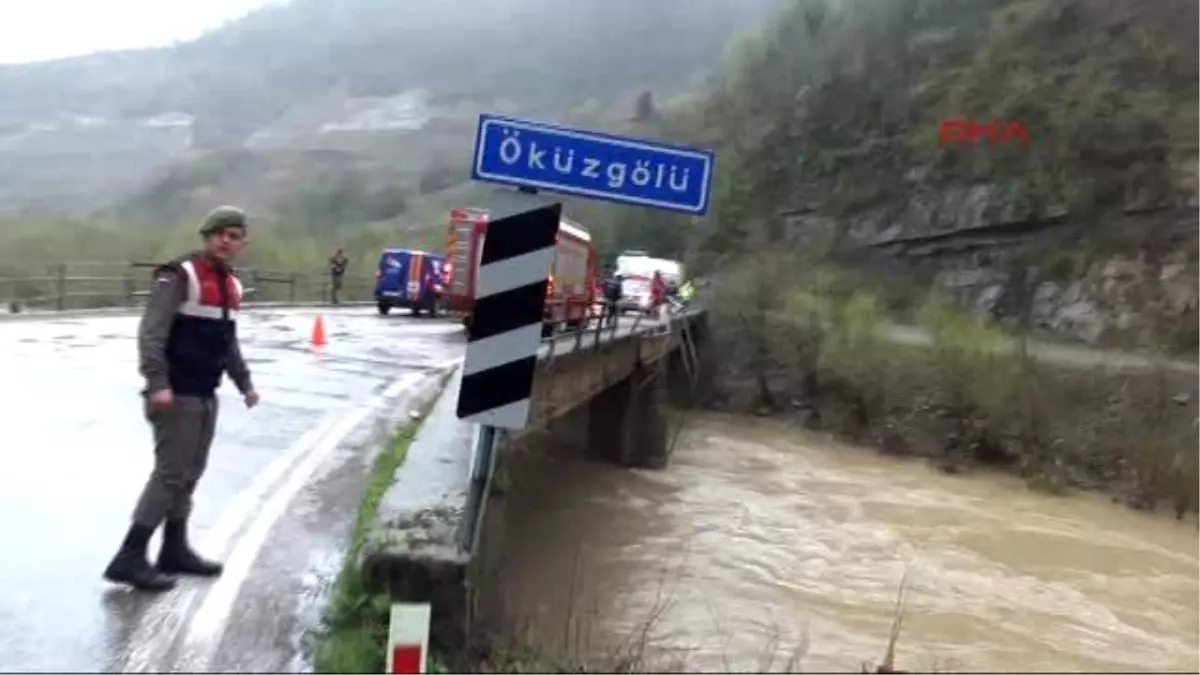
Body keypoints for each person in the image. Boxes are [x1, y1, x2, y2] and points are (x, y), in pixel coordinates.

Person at [102, 205, 260, 593]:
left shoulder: (231, 286)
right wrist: (157, 383)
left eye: (234, 234)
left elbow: (227, 342)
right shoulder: (179, 275)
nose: (226, 240)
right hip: (175, 394)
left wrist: (245, 383)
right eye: (220, 232)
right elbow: (151, 333)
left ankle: (174, 548)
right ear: (206, 236)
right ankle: (130, 556)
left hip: (205, 393)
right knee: (170, 474)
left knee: (190, 474)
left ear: (242, 243)